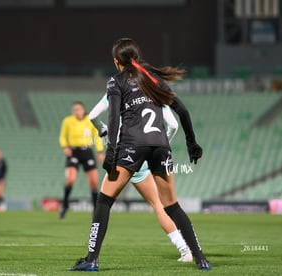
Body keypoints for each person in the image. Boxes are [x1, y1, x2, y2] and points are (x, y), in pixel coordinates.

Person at [70, 38, 210, 271]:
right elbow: (182, 110)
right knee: (172, 206)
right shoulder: (153, 79)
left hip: (132, 146)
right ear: (137, 57)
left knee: (104, 201)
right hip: (160, 146)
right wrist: (191, 143)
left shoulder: (116, 81)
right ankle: (201, 258)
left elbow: (114, 118)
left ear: (117, 61)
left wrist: (112, 152)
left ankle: (92, 259)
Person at [88, 95, 194, 263]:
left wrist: (103, 130)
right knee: (159, 206)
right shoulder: (153, 93)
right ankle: (185, 249)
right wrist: (161, 142)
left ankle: (91, 258)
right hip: (145, 153)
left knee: (103, 203)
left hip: (122, 155)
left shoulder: (117, 89)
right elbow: (173, 125)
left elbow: (92, 116)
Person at [58, 101, 104, 219]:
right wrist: (65, 147)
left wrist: (99, 151)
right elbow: (63, 136)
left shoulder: (90, 120)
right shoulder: (68, 121)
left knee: (94, 181)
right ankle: (65, 204)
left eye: (79, 109)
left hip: (87, 152)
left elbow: (97, 136)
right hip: (73, 152)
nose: (76, 111)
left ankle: (95, 209)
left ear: (83, 110)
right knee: (70, 179)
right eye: (74, 109)